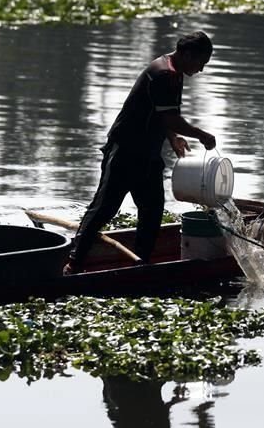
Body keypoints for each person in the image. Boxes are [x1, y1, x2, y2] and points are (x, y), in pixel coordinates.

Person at [64, 31, 217, 274]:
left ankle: (140, 263)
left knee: (152, 209)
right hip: (125, 150)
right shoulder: (164, 73)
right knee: (105, 207)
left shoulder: (174, 71)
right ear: (188, 54)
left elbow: (162, 114)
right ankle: (74, 263)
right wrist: (201, 135)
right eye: (201, 63)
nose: (201, 70)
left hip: (148, 154)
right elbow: (171, 117)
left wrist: (172, 136)